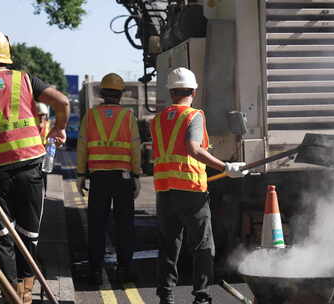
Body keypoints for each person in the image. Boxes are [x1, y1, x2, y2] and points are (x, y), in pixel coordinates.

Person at [0, 28, 70, 304]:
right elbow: (62, 101)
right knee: (28, 234)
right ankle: (25, 294)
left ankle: (12, 297)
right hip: (30, 167)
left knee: (0, 238)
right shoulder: (25, 80)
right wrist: (58, 130)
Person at [150, 67, 248, 304]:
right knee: (203, 245)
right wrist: (225, 167)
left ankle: (166, 296)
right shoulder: (193, 115)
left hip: (165, 191)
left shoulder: (157, 120)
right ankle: (201, 297)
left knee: (169, 246)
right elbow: (194, 149)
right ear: (193, 91)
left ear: (171, 92)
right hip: (191, 191)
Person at [76, 73, 142, 285]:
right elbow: (135, 147)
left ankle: (95, 271)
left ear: (102, 94)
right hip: (123, 178)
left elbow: (82, 146)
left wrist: (80, 175)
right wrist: (137, 175)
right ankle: (125, 269)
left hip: (98, 178)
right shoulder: (128, 116)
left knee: (97, 225)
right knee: (125, 225)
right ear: (121, 95)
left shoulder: (91, 116)